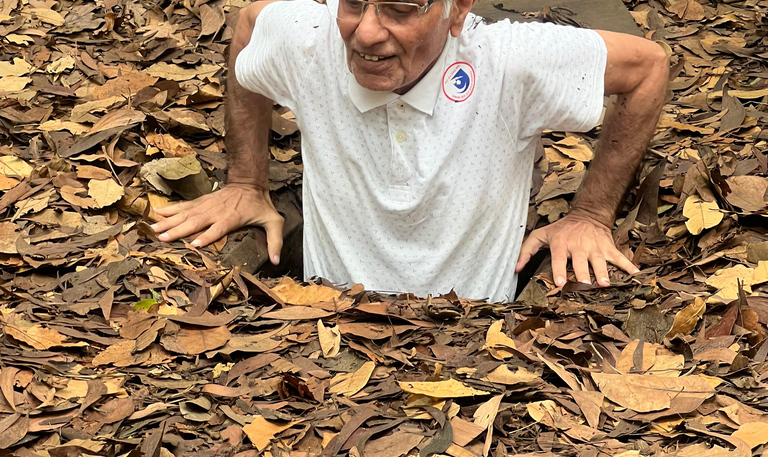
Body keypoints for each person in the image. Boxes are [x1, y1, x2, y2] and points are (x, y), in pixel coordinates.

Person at [150, 0, 669, 302]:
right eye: (354, 2)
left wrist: (591, 214)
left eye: (401, 7)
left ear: (457, 10)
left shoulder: (510, 62)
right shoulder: (309, 38)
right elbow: (249, 26)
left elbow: (647, 66)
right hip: (320, 328)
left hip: (479, 345)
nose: (368, 32)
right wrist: (245, 181)